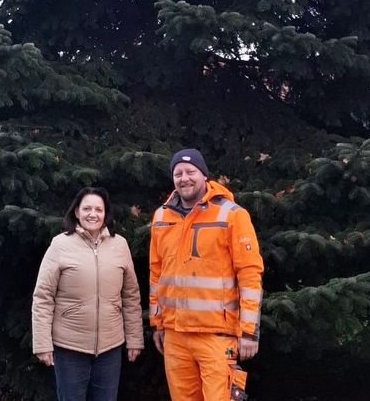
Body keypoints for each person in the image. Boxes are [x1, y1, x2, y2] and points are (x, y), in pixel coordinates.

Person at [150, 148, 263, 401]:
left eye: (191, 171)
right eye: (178, 173)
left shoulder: (233, 215)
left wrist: (248, 332)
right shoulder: (161, 217)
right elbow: (156, 274)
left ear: (204, 176)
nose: (184, 178)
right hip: (175, 336)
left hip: (217, 336)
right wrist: (157, 323)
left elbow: (250, 274)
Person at [32, 187, 144, 401]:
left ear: (105, 213)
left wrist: (135, 339)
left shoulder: (120, 245)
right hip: (69, 348)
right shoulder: (60, 245)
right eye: (87, 209)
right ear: (76, 212)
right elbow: (43, 297)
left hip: (110, 349)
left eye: (98, 209)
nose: (93, 214)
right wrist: (42, 344)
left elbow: (131, 295)